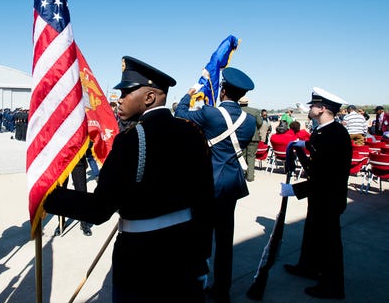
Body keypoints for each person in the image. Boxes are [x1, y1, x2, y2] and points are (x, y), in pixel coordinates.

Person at [44, 56, 214, 303]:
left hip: (141, 257)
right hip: (185, 251)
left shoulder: (131, 140)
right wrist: (202, 258)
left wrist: (48, 196)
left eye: (126, 92)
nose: (119, 99)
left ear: (149, 98)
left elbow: (100, 209)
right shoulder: (192, 131)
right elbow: (205, 200)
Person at [175, 67, 256, 303]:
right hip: (231, 184)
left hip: (209, 184)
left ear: (222, 90)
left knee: (200, 239)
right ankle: (222, 291)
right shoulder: (249, 121)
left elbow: (180, 113)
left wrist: (192, 92)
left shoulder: (210, 114)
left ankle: (197, 284)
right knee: (224, 241)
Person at [280, 87, 352, 299]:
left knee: (329, 243)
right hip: (320, 196)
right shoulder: (324, 132)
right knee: (312, 234)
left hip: (328, 197)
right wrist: (303, 146)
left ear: (322, 109)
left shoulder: (332, 135)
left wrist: (295, 189)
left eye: (313, 105)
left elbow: (326, 177)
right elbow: (316, 163)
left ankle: (333, 286)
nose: (310, 108)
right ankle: (308, 267)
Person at [53, 155, 93, 236]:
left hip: (77, 156)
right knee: (61, 192)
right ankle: (61, 222)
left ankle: (84, 222)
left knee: (81, 191)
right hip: (61, 158)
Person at [238, 97, 262, 182]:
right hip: (253, 137)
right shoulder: (255, 111)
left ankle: (242, 175)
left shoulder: (237, 111)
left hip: (241, 137)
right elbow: (260, 123)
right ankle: (250, 176)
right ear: (247, 102)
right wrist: (255, 130)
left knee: (242, 156)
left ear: (239, 102)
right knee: (251, 157)